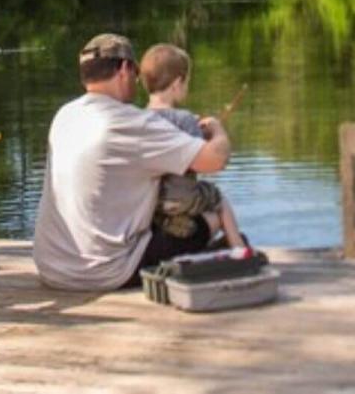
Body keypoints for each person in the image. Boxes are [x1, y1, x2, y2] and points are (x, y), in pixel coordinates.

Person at [33, 33, 232, 291]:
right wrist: (217, 131)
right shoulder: (133, 122)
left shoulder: (64, 116)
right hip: (106, 273)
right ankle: (233, 251)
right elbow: (215, 159)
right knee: (212, 214)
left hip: (51, 267)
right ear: (125, 69)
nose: (138, 81)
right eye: (136, 73)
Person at [141, 44, 245, 249]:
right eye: (187, 81)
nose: (187, 86)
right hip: (182, 200)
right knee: (218, 198)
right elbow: (203, 161)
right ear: (177, 84)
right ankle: (240, 249)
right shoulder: (185, 119)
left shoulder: (138, 119)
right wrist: (215, 131)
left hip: (151, 205)